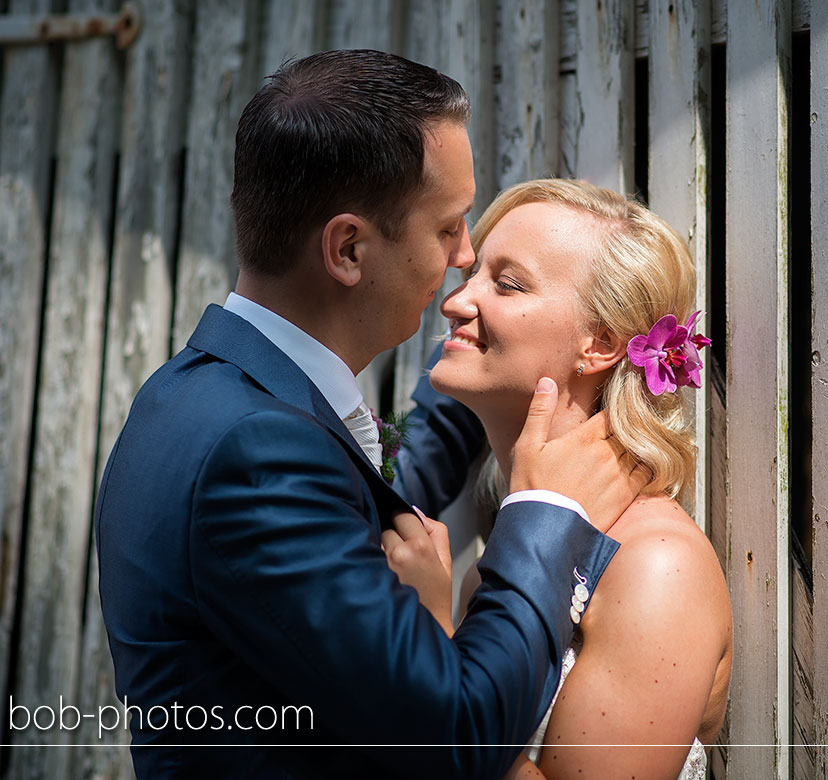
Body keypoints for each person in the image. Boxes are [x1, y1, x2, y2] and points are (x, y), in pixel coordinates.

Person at [95, 51, 645, 779]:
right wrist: (546, 512)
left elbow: (353, 506)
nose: (463, 258)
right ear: (348, 248)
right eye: (448, 228)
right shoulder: (258, 454)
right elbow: (456, 734)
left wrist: (492, 376)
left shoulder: (198, 395)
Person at [399, 179, 733, 780]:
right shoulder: (501, 555)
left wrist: (426, 642)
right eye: (473, 275)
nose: (455, 302)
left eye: (507, 284)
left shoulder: (656, 566)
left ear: (600, 345)